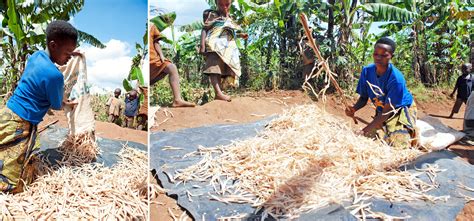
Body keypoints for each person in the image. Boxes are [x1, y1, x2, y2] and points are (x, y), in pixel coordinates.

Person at [0, 20, 78, 192]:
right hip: (21, 123)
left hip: (7, 113)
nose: (69, 57)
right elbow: (57, 105)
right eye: (68, 53)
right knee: (13, 180)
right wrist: (66, 102)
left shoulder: (36, 56)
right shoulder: (54, 76)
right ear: (53, 45)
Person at [345, 37, 417, 148]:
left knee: (398, 144)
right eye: (376, 54)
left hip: (399, 109)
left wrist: (363, 131)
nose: (378, 58)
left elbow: (387, 112)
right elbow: (363, 98)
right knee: (373, 140)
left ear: (391, 56)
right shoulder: (367, 71)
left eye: (384, 55)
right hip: (383, 110)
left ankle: (412, 130)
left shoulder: (396, 79)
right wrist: (354, 109)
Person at [200, 0, 248, 101]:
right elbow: (205, 29)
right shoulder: (213, 15)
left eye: (227, 4)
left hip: (226, 49)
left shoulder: (230, 18)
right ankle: (218, 93)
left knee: (222, 70)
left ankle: (220, 92)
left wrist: (240, 35)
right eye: (221, 5)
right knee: (214, 68)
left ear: (231, 3)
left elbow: (227, 33)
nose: (224, 7)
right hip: (214, 46)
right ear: (216, 4)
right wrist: (202, 45)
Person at [149, 23, 195, 108]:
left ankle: (177, 100)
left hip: (153, 59)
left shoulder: (151, 26)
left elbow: (155, 41)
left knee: (171, 67)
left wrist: (161, 55)